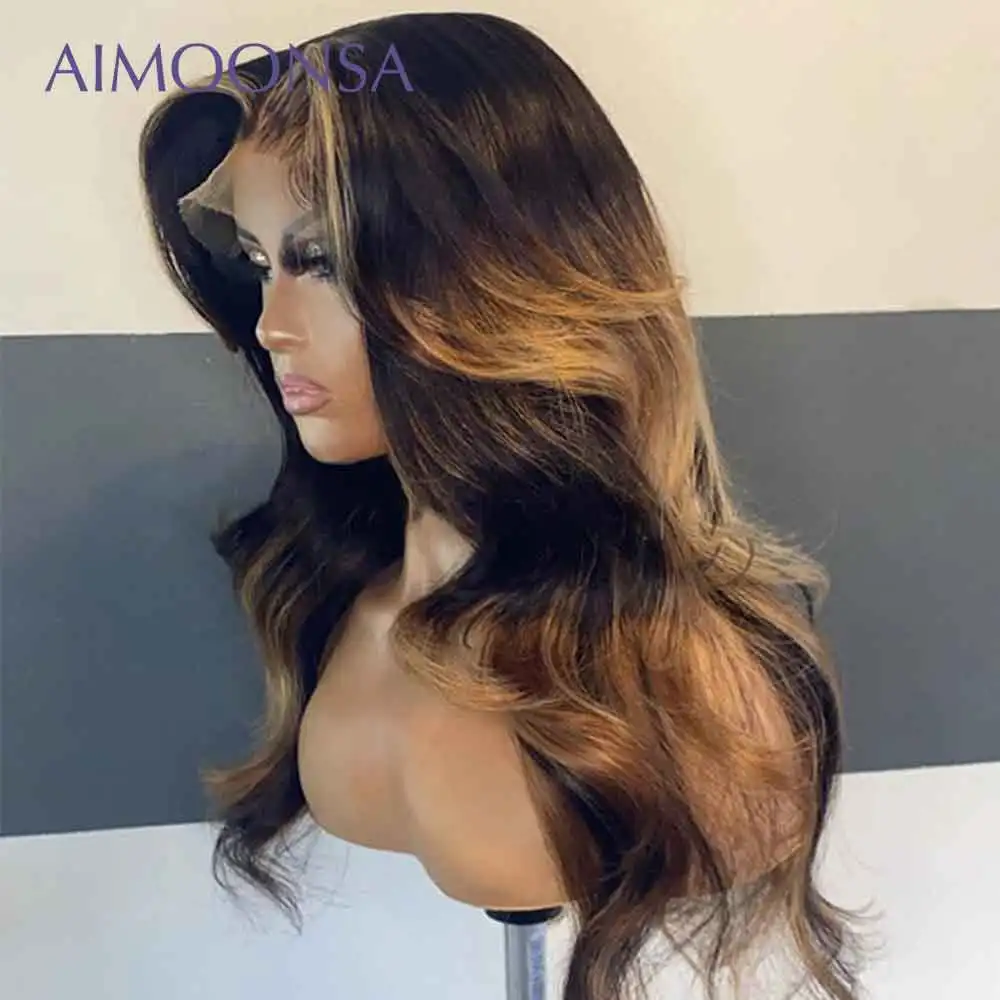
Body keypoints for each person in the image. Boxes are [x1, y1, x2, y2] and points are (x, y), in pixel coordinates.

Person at [138, 12, 862, 1000]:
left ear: (493, 279)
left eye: (323, 261)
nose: (271, 326)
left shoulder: (694, 686)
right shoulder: (341, 600)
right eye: (262, 266)